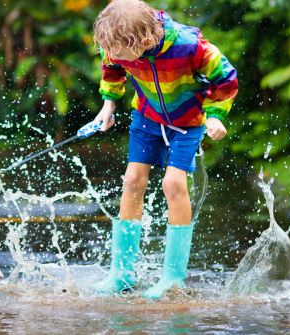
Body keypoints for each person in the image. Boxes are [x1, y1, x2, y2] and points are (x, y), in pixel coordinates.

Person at [91, 0, 238, 299]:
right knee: (132, 180)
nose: (113, 55)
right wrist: (108, 105)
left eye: (119, 50)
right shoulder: (119, 46)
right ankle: (121, 273)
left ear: (142, 40)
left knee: (173, 184)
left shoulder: (190, 46)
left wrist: (216, 115)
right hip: (146, 116)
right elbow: (111, 67)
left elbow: (226, 78)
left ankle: (172, 279)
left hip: (188, 122)